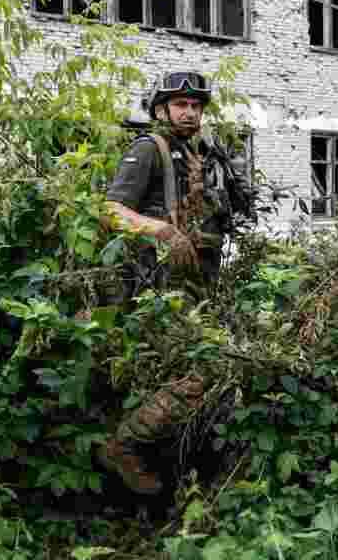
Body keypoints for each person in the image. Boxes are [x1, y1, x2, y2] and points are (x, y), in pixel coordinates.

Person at [96, 70, 252, 495]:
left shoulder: (202, 154)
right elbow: (110, 211)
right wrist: (161, 230)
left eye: (196, 106)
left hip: (196, 287)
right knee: (207, 368)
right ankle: (124, 445)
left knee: (218, 370)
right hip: (156, 290)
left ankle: (184, 469)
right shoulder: (150, 149)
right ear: (161, 110)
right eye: (181, 104)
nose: (190, 112)